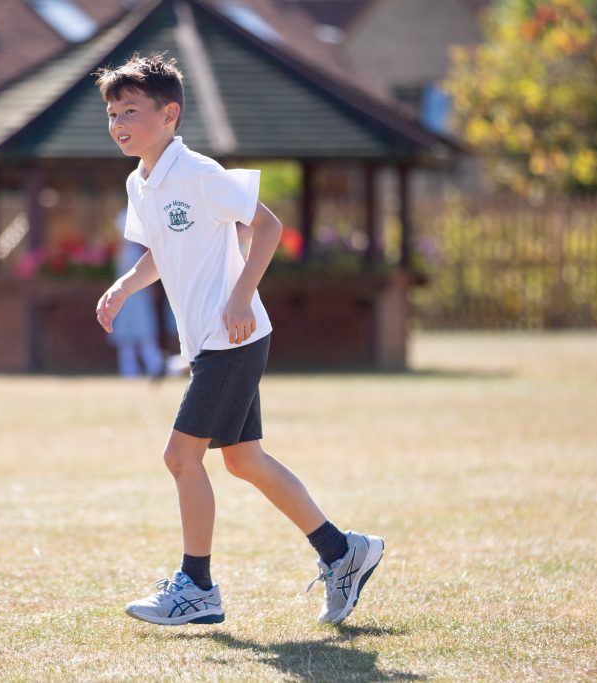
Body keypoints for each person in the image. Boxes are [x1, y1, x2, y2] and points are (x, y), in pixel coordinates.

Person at [93, 53, 383, 626]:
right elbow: (159, 253)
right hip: (207, 342)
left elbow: (269, 226)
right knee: (244, 460)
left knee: (181, 457)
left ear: (170, 114)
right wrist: (123, 288)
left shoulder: (198, 172)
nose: (118, 123)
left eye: (131, 110)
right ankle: (342, 551)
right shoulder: (140, 182)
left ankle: (196, 588)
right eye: (111, 113)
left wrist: (241, 296)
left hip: (234, 337)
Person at [109, 208, 165, 378]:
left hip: (134, 299)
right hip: (132, 299)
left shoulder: (126, 252)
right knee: (137, 336)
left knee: (141, 336)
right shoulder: (130, 252)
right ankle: (143, 368)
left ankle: (152, 367)